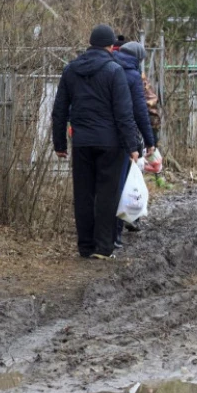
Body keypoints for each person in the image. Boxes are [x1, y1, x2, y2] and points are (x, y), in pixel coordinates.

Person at [52, 25, 139, 260]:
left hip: (81, 142)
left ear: (90, 44)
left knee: (83, 194)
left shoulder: (71, 70)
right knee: (107, 194)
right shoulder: (114, 71)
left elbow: (59, 109)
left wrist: (59, 143)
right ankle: (103, 247)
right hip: (110, 143)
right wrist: (132, 146)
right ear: (111, 46)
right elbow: (124, 112)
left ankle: (85, 246)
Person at [113, 41, 156, 247]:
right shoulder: (133, 76)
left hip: (98, 135)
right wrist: (150, 140)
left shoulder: (108, 68)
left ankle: (103, 234)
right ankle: (122, 226)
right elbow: (142, 109)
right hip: (125, 138)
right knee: (124, 183)